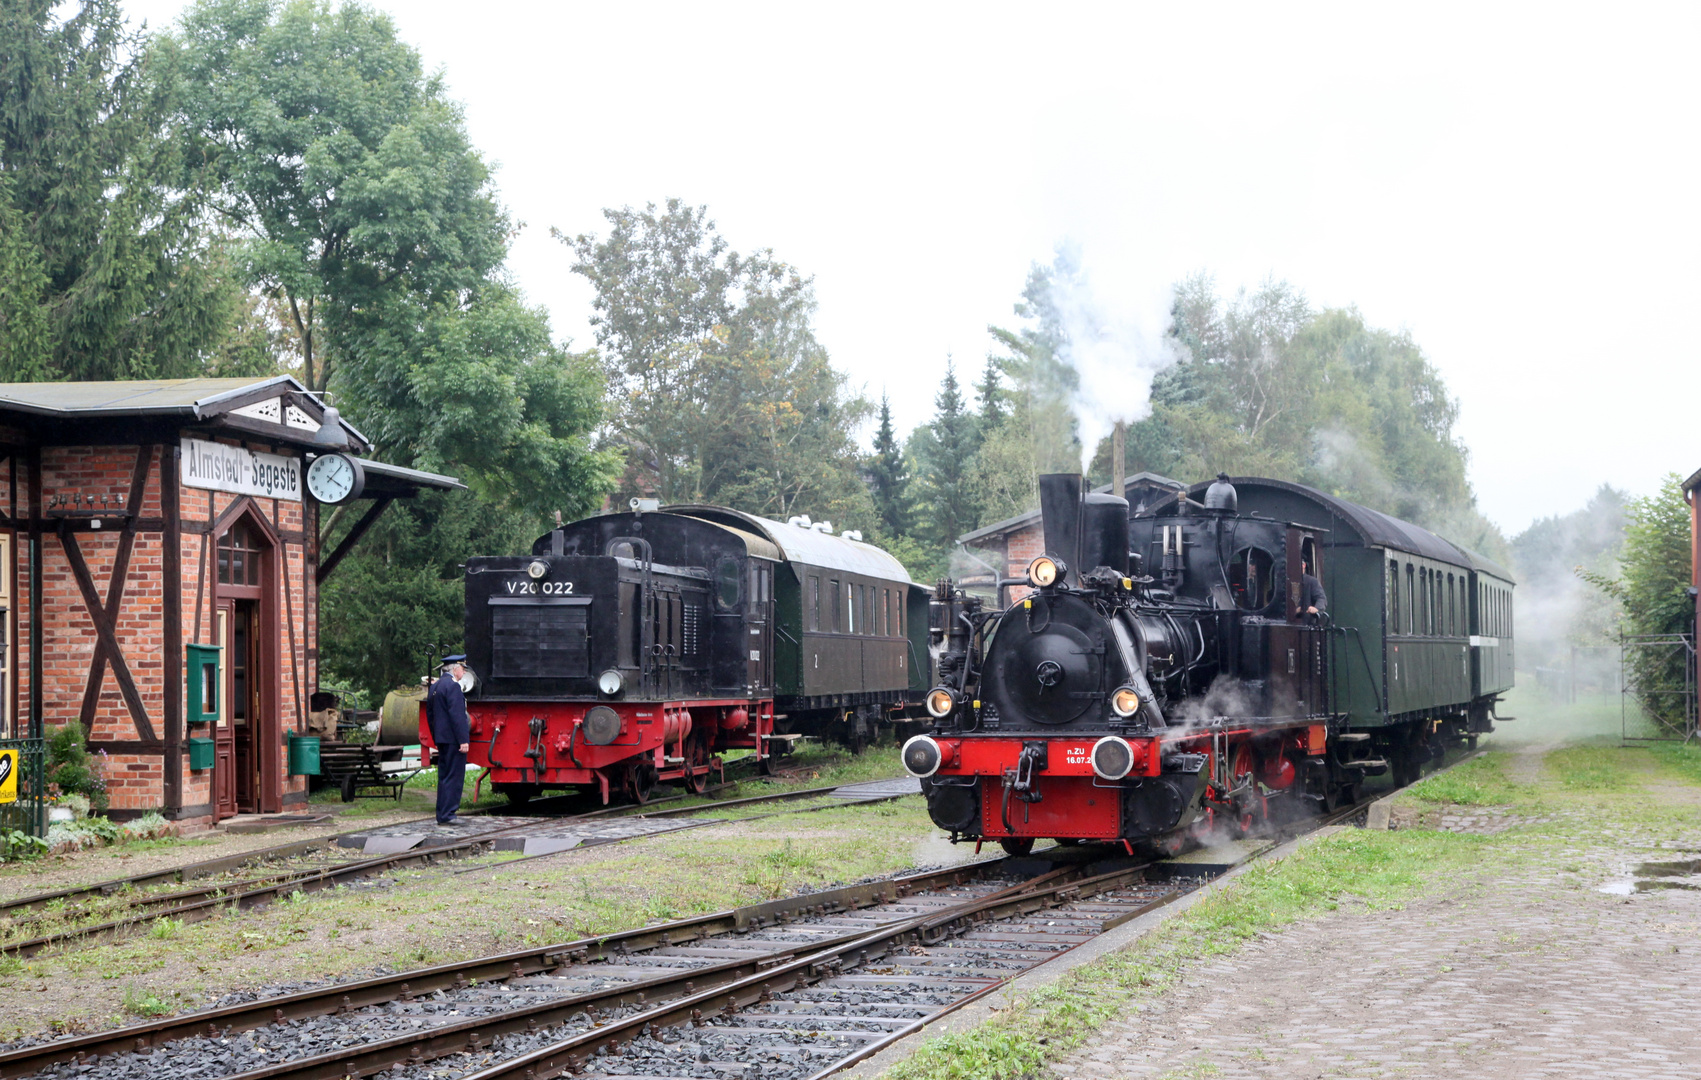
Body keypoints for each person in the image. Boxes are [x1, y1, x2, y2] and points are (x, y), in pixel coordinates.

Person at [427, 654, 471, 825]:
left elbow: (430, 715)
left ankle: (442, 813)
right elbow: (457, 716)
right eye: (462, 668)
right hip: (453, 740)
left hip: (442, 739)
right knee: (454, 776)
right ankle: (449, 814)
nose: (464, 671)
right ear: (455, 669)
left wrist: (436, 737)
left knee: (444, 776)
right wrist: (463, 740)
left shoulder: (436, 686)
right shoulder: (453, 687)